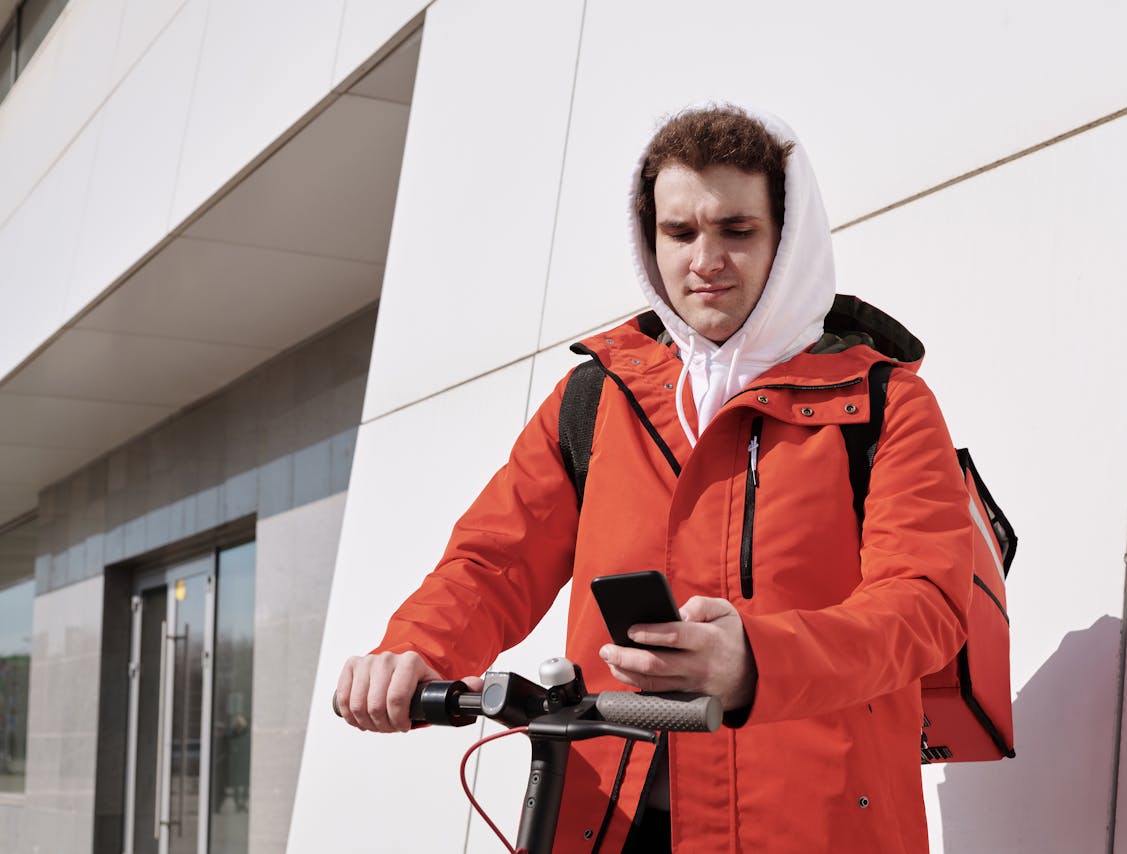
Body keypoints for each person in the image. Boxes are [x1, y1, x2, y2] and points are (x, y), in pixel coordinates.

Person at [335, 105, 972, 853]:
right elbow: (494, 560)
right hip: (608, 817)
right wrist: (417, 650)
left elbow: (922, 606)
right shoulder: (596, 397)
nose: (706, 259)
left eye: (737, 230)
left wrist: (755, 663)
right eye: (680, 232)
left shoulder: (883, 402)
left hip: (816, 823)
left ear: (787, 237)